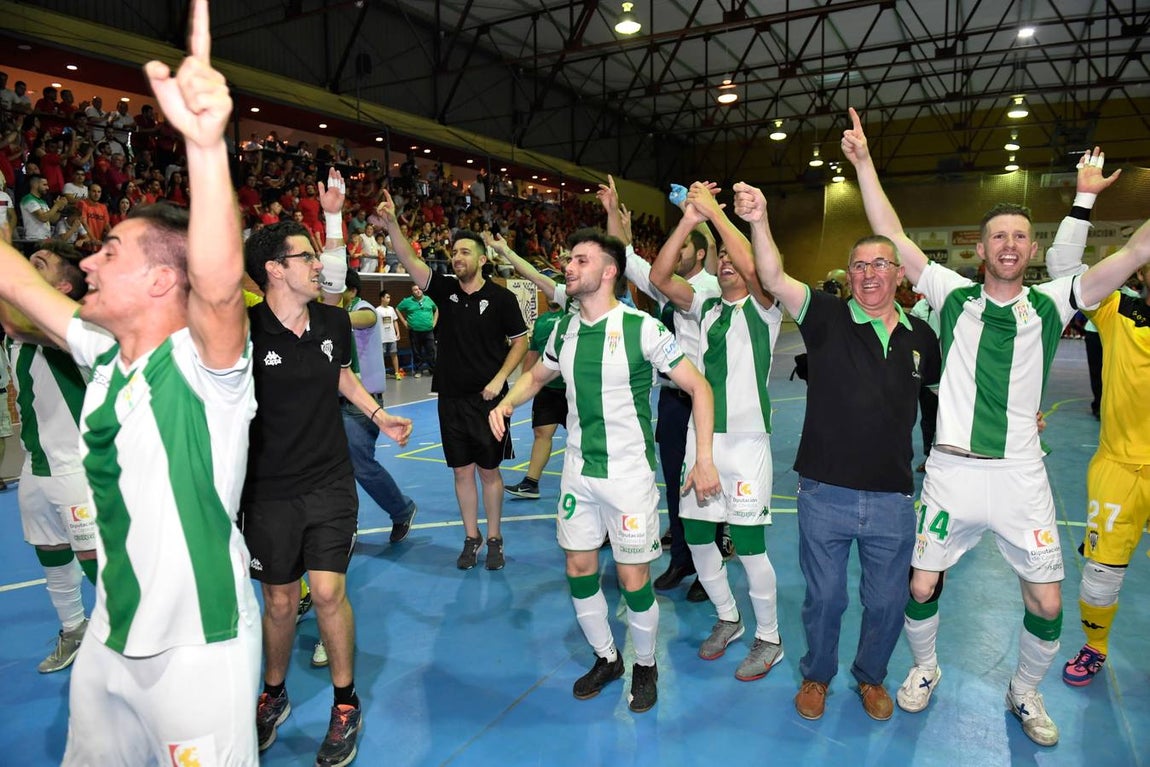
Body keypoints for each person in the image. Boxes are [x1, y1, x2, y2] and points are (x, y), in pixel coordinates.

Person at [0, 2, 262, 762]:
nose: (86, 260)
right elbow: (18, 283)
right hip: (111, 641)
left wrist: (206, 147)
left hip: (197, 650)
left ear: (158, 277)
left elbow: (215, 287)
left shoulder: (204, 369)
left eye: (107, 249)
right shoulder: (103, 353)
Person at [844, 110, 1150, 746]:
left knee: (1047, 603)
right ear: (980, 250)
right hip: (952, 470)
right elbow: (890, 231)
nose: (1009, 244)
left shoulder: (1053, 302)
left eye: (1020, 236)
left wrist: (1089, 198)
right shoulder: (949, 294)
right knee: (921, 583)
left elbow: (1136, 251)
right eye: (998, 236)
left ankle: (1024, 689)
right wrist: (866, 164)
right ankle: (926, 670)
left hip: (1020, 475)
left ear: (1031, 249)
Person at [733, 180, 940, 723]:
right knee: (825, 599)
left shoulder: (922, 337)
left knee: (889, 603)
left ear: (900, 274)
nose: (870, 274)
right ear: (849, 276)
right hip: (825, 491)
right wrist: (758, 219)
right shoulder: (824, 317)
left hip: (893, 497)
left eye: (880, 264)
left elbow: (952, 392)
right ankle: (817, 675)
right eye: (859, 266)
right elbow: (773, 277)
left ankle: (870, 676)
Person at [489, 227, 720, 713]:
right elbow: (538, 374)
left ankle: (645, 664)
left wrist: (702, 458)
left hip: (628, 476)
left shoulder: (642, 328)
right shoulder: (565, 329)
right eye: (569, 260)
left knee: (634, 579)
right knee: (579, 566)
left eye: (580, 260)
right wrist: (508, 402)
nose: (568, 268)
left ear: (609, 271)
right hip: (578, 472)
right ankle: (607, 657)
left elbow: (699, 388)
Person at [242, 170, 412, 766]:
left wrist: (376, 413)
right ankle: (273, 692)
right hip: (266, 490)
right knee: (281, 603)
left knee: (328, 590)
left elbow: (339, 371)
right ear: (274, 269)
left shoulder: (333, 322)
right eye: (305, 257)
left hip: (330, 481)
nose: (317, 265)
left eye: (318, 257)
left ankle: (345, 703)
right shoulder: (244, 330)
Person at [649, 182, 786, 680]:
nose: (727, 262)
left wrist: (717, 218)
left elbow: (754, 266)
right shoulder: (705, 308)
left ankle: (769, 638)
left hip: (748, 444)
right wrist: (690, 219)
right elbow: (661, 276)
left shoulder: (766, 306)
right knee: (700, 536)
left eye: (734, 256)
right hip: (702, 439)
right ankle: (728, 617)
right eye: (721, 257)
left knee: (749, 546)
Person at [1039, 152, 1147, 689]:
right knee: (1101, 578)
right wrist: (1084, 199)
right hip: (1119, 468)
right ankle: (1095, 646)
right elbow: (1063, 270)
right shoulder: (1121, 309)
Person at [597, 175, 728, 603]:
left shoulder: (709, 290)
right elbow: (626, 256)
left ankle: (712, 563)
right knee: (673, 481)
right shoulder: (664, 282)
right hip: (673, 400)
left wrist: (697, 216)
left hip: (702, 398)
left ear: (701, 252)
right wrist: (613, 213)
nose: (675, 252)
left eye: (684, 245)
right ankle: (682, 560)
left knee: (706, 485)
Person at [379, 191, 527, 570]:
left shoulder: (501, 299)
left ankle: (494, 537)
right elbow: (411, 262)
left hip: (489, 400)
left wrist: (498, 380)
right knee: (461, 471)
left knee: (489, 472)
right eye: (454, 252)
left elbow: (520, 342)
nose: (457, 257)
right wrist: (393, 223)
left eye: (465, 252)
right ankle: (471, 537)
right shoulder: (444, 291)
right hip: (451, 398)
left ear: (481, 258)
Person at [0, 241, 98, 674]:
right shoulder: (19, 327)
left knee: (99, 562)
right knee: (50, 551)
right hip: (36, 465)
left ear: (61, 287)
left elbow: (21, 316)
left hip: (79, 468)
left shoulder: (73, 327)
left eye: (37, 263)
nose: (26, 268)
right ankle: (74, 628)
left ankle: (133, 638)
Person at [395, 283, 437, 377]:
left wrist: (434, 322)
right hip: (414, 331)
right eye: (415, 289)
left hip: (428, 330)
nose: (418, 290)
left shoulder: (428, 299)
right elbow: (397, 309)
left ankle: (433, 370)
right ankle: (418, 371)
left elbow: (436, 309)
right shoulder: (407, 301)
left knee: (431, 350)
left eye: (419, 289)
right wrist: (404, 322)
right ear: (412, 292)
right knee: (416, 351)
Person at [375, 290, 403, 378]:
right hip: (382, 337)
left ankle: (396, 373)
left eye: (389, 297)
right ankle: (381, 374)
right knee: (381, 356)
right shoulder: (377, 310)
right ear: (382, 298)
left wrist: (397, 332)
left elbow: (395, 321)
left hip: (391, 336)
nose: (389, 299)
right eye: (387, 297)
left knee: (394, 354)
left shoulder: (391, 309)